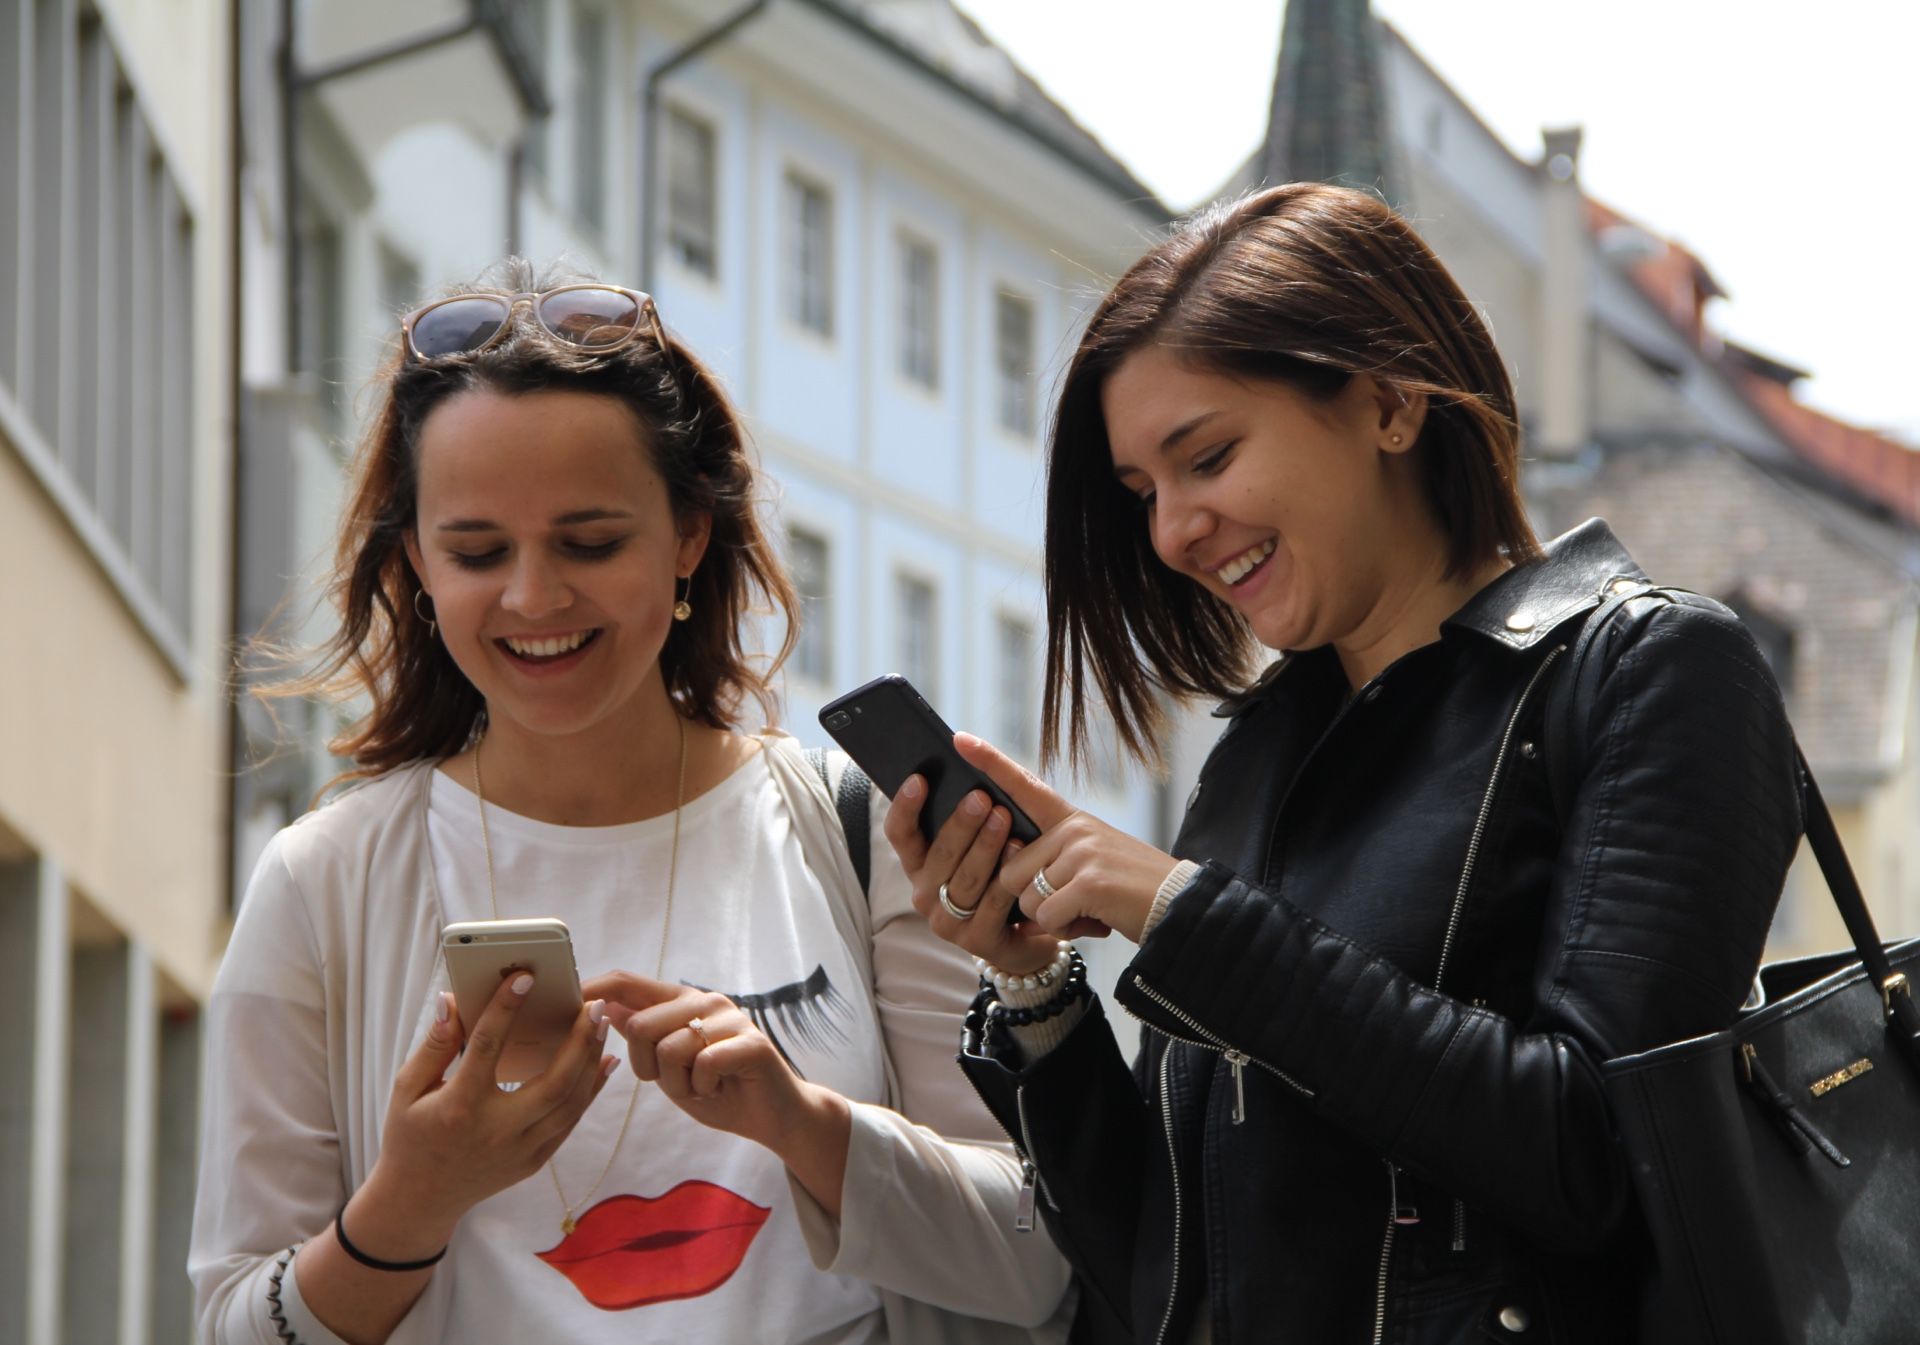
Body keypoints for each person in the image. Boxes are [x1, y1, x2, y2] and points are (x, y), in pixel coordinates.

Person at [884, 183, 1802, 1344]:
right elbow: (1159, 1278)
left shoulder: (1651, 670)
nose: (1171, 531)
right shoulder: (1252, 763)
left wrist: (1185, 916)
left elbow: (1598, 1153)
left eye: (1208, 456)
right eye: (1144, 494)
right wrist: (1037, 989)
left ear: (1389, 400)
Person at [190, 263, 1071, 1345]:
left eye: (590, 542)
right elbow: (233, 1323)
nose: (533, 596)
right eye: (477, 551)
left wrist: (802, 1122)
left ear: (690, 533)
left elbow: (1037, 1260)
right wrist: (410, 1202)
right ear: (417, 560)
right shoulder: (321, 880)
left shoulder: (863, 834)